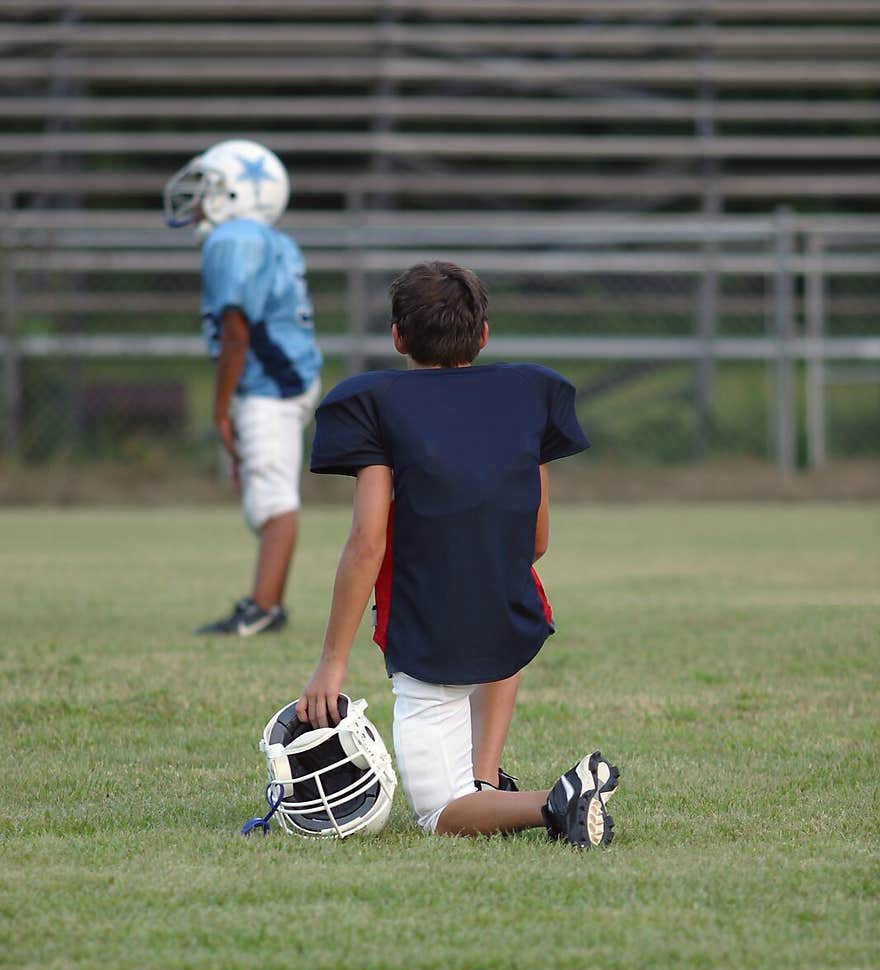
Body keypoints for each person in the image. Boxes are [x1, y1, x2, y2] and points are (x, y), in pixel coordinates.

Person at [297, 261, 619, 847]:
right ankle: (485, 776)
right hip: (511, 609)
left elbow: (368, 543)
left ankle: (558, 797)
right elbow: (536, 538)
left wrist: (331, 663)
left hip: (431, 629)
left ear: (397, 337)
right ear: (484, 334)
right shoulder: (528, 391)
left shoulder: (375, 400)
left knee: (439, 814)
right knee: (502, 584)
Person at [164, 139, 322, 636]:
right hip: (284, 376)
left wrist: (220, 409)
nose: (196, 202)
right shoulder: (269, 239)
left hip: (269, 382)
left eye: (207, 189)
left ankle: (264, 608)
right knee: (265, 492)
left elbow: (236, 331)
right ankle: (265, 602)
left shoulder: (233, 240)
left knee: (272, 501)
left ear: (236, 194)